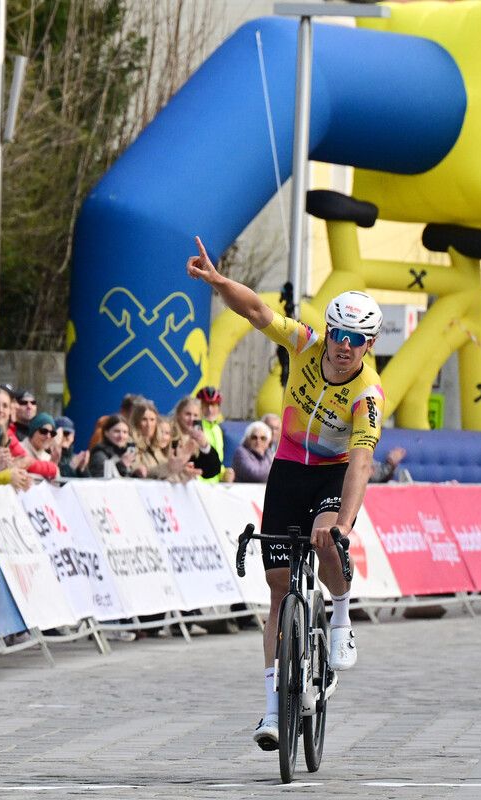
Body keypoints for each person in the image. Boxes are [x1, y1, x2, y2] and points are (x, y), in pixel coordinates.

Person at [187, 235, 382, 750]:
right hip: (290, 465)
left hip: (334, 474)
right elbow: (255, 311)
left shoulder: (367, 394)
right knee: (277, 585)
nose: (343, 346)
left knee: (324, 538)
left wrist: (343, 524)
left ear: (369, 345)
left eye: (355, 340)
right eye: (338, 333)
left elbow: (362, 460)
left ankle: (340, 611)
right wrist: (219, 281)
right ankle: (273, 710)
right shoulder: (305, 344)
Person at [195, 386, 231, 482]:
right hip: (197, 487)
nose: (210, 410)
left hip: (214, 487)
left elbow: (217, 461)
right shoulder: (195, 427)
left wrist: (224, 474)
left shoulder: (218, 429)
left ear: (219, 408)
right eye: (206, 405)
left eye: (214, 405)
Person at [20, 413, 60, 481]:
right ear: (32, 431)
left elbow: (55, 488)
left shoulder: (48, 458)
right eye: (43, 431)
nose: (48, 436)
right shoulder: (19, 450)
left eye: (52, 433)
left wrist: (53, 466)